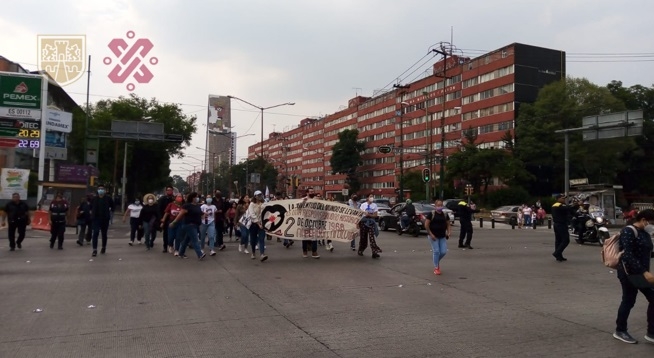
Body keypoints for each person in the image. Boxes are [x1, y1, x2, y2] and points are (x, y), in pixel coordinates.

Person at [612, 209, 654, 344]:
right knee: (629, 300)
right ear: (643, 220)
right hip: (629, 272)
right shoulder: (628, 231)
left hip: (641, 272)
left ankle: (651, 332)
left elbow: (646, 252)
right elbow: (628, 255)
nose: (652, 226)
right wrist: (644, 272)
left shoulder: (645, 233)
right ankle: (620, 330)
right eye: (652, 223)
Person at [170, 192, 206, 260]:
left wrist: (205, 214)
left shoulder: (197, 206)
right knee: (195, 240)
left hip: (196, 225)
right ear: (192, 198)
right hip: (189, 225)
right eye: (196, 197)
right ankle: (200, 254)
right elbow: (180, 215)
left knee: (186, 240)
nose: (197, 198)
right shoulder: (187, 206)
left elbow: (200, 213)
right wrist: (174, 222)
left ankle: (181, 253)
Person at [424, 199, 451, 275]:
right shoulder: (431, 214)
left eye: (441, 205)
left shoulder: (445, 214)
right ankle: (436, 267)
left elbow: (448, 224)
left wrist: (449, 232)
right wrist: (431, 234)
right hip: (433, 236)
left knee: (443, 251)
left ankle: (436, 261)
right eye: (438, 205)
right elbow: (426, 225)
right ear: (435, 206)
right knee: (436, 251)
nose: (440, 207)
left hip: (442, 236)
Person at [90, 184, 114, 257]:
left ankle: (103, 247)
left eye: (102, 189)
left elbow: (113, 206)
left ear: (104, 190)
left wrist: (110, 212)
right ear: (97, 190)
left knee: (104, 234)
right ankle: (94, 249)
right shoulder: (94, 199)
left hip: (105, 218)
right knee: (95, 233)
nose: (101, 190)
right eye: (99, 189)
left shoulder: (108, 198)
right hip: (96, 218)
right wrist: (91, 213)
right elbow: (91, 207)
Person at [246, 190, 268, 261]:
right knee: (253, 239)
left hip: (262, 224)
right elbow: (252, 214)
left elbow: (266, 212)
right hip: (254, 224)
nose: (260, 196)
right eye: (258, 195)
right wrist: (258, 223)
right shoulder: (252, 204)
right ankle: (253, 252)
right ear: (255, 196)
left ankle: (262, 254)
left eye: (260, 195)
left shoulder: (263, 203)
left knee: (262, 239)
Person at [551, 194, 574, 262]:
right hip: (561, 224)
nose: (564, 200)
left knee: (558, 240)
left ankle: (559, 256)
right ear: (558, 199)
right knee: (566, 240)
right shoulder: (559, 205)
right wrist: (574, 204)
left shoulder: (554, 205)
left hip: (556, 224)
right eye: (562, 198)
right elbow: (568, 208)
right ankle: (557, 253)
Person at [358, 194, 382, 259]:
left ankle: (374, 252)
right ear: (367, 198)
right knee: (363, 237)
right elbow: (360, 213)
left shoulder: (374, 205)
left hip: (371, 222)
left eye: (372, 197)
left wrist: (370, 215)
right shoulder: (363, 205)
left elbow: (375, 215)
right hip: (364, 222)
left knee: (372, 238)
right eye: (370, 197)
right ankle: (361, 250)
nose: (372, 198)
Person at [300, 188, 320, 258]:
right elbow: (298, 207)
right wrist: (304, 202)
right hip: (306, 220)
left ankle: (314, 252)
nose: (312, 193)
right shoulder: (303, 199)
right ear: (307, 193)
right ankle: (304, 251)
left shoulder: (316, 199)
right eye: (310, 192)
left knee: (314, 236)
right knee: (305, 236)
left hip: (314, 220)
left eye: (313, 191)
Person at [158, 186, 176, 253]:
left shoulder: (174, 199)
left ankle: (171, 245)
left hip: (173, 218)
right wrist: (161, 218)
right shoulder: (162, 199)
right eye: (168, 190)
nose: (169, 191)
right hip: (165, 218)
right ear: (166, 191)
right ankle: (165, 247)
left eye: (170, 190)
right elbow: (159, 209)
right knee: (165, 233)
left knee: (173, 233)